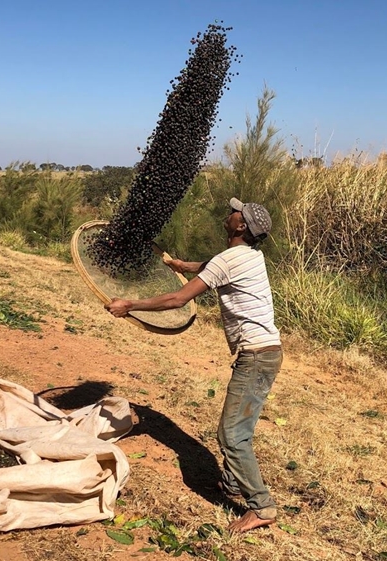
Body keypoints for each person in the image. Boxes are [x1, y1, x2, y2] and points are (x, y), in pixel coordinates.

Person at [105, 197, 282, 533]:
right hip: (268, 352)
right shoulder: (249, 256)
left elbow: (178, 299)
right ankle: (232, 483)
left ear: (241, 226)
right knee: (239, 428)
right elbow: (215, 264)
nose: (229, 213)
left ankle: (261, 506)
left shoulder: (229, 259)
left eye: (235, 213)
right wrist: (186, 267)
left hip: (257, 357)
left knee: (230, 434)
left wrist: (130, 304)